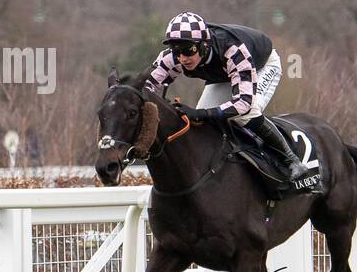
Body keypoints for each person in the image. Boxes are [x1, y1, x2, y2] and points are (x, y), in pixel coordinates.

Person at [135, 11, 316, 189]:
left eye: (188, 50)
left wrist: (201, 113)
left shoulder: (233, 50)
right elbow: (148, 87)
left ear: (204, 45)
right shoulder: (172, 57)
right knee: (200, 124)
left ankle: (292, 160)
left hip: (261, 65)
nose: (183, 58)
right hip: (224, 75)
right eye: (176, 51)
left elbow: (242, 104)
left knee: (245, 114)